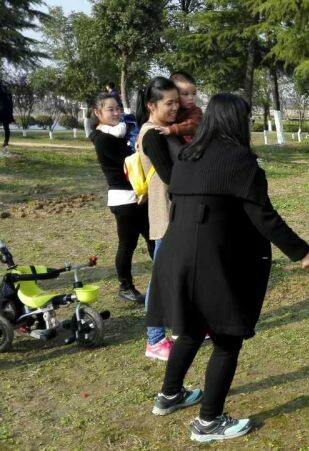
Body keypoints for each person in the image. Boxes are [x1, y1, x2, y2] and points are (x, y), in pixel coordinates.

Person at [147, 93, 309, 442]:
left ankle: (169, 395)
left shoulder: (188, 154)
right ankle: (208, 422)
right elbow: (264, 217)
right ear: (237, 122)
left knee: (191, 329)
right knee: (227, 339)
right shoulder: (240, 161)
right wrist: (303, 252)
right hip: (209, 261)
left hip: (175, 254)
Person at [135, 76, 183, 361]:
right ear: (151, 105)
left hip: (174, 213)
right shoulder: (152, 135)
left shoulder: (165, 130)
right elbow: (170, 177)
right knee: (161, 277)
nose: (176, 107)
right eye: (169, 103)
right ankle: (154, 339)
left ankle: (180, 328)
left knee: (176, 274)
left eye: (178, 101)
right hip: (165, 216)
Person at [89, 93, 154, 303]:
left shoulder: (126, 130)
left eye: (118, 108)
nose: (116, 113)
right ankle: (125, 287)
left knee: (154, 240)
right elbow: (129, 160)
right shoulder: (102, 139)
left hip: (139, 195)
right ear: (98, 112)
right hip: (124, 199)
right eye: (110, 109)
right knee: (128, 244)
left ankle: (166, 278)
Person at [158, 71, 203, 143]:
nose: (191, 98)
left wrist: (170, 129)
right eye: (185, 94)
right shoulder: (169, 110)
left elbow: (192, 126)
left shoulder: (196, 111)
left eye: (194, 93)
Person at [0, 83, 14, 151]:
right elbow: (11, 104)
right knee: (6, 128)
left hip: (3, 112)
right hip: (7, 113)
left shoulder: (3, 93)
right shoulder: (8, 94)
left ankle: (6, 142)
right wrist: (11, 113)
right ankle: (6, 142)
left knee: (6, 128)